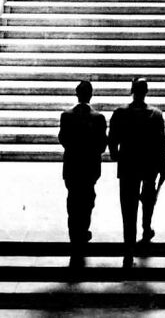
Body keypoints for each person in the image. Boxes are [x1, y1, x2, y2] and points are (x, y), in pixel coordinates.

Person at [108, 77, 165, 270]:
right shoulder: (155, 114)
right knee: (148, 198)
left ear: (131, 90)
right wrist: (163, 166)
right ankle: (146, 227)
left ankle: (128, 249)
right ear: (146, 91)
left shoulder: (120, 113)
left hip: (128, 164)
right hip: (149, 163)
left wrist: (116, 155)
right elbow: (160, 143)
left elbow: (112, 140)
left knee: (128, 207)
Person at [57, 80, 108, 273]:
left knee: (73, 199)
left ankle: (74, 236)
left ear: (77, 94)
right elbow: (103, 145)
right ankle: (83, 231)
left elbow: (63, 139)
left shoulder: (66, 116)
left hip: (72, 165)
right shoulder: (98, 118)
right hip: (89, 166)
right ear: (91, 95)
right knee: (88, 199)